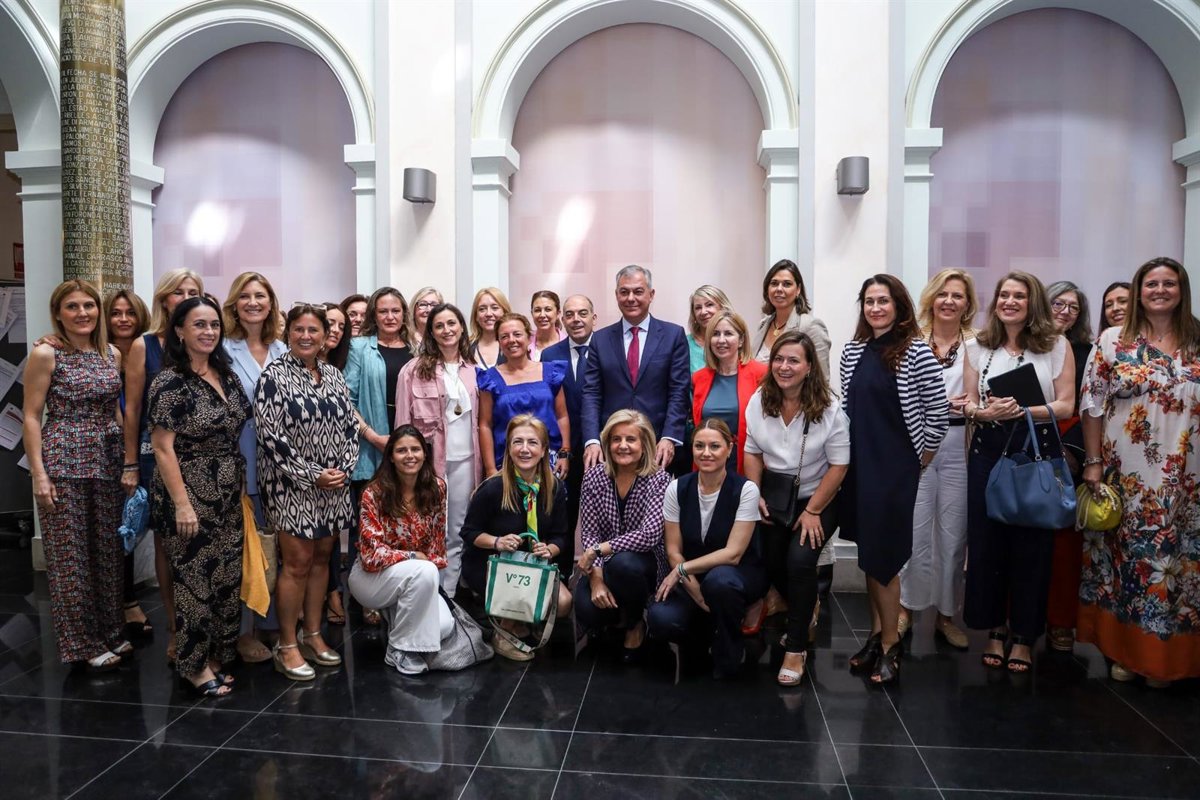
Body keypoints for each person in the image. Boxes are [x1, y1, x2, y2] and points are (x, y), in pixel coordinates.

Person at [1078, 257, 1200, 687]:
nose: (1160, 290)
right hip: (1128, 474)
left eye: (1169, 283)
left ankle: (1170, 659)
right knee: (1128, 561)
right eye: (1152, 284)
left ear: (1182, 290)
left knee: (1182, 563)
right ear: (1139, 290)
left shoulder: (1198, 338)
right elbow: (1092, 404)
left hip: (1189, 477)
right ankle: (1127, 654)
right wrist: (1093, 461)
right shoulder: (1113, 340)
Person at [962, 271, 1074, 674]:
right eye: (1004, 295)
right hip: (988, 449)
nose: (1010, 302)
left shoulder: (1056, 345)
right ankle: (994, 630)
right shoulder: (977, 346)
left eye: (1019, 296)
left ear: (1033, 303)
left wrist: (1022, 411)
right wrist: (983, 412)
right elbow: (968, 403)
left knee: (1032, 546)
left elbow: (1066, 404)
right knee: (987, 544)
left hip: (1035, 449)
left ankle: (1024, 636)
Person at [839, 274, 949, 684]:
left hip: (895, 469)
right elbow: (846, 409)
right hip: (860, 466)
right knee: (870, 554)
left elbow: (938, 413)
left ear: (899, 306)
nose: (875, 308)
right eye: (869, 301)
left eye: (883, 301)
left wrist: (921, 458)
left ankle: (890, 644)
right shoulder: (853, 351)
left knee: (885, 557)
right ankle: (875, 636)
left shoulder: (916, 352)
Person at [22, 280, 128, 672]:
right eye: (72, 306)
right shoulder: (46, 353)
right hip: (63, 461)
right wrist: (39, 474)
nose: (82, 313)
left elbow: (115, 410)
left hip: (107, 460)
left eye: (88, 305)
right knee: (71, 558)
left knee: (107, 554)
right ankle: (82, 643)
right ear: (58, 313)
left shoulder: (111, 353)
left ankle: (110, 631)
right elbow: (31, 416)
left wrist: (128, 462)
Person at [148, 296, 252, 697]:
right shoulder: (169, 382)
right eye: (199, 324)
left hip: (227, 493)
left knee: (225, 578)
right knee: (194, 582)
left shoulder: (226, 374)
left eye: (214, 325)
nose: (209, 331)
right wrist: (182, 504)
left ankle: (215, 656)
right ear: (179, 331)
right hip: (188, 493)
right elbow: (162, 448)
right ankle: (192, 667)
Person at [256, 305, 359, 681]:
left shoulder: (333, 375)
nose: (306, 336)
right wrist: (312, 475)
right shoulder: (274, 376)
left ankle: (313, 635)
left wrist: (344, 468)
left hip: (333, 485)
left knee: (321, 560)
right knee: (297, 563)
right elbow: (270, 435)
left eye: (313, 330)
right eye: (298, 329)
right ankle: (287, 645)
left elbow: (351, 426)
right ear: (288, 334)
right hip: (291, 485)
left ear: (325, 336)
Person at [743, 332, 848, 685]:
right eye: (779, 359)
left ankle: (796, 647)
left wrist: (814, 510)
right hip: (774, 495)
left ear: (809, 367)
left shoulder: (829, 408)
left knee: (800, 561)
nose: (784, 367)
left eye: (793, 360)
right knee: (773, 563)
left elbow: (839, 465)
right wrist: (754, 493)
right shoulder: (760, 400)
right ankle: (807, 607)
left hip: (820, 497)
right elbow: (752, 451)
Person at [122, 268, 203, 664]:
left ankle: (201, 628)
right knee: (167, 544)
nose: (185, 297)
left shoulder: (205, 341)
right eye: (177, 292)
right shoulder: (145, 345)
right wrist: (130, 463)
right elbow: (132, 408)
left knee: (202, 544)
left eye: (193, 291)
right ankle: (175, 631)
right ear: (164, 300)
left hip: (203, 460)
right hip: (156, 456)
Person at [647, 419, 765, 679]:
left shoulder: (746, 490)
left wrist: (681, 570)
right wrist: (698, 594)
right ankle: (705, 627)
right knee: (660, 619)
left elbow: (733, 554)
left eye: (715, 446)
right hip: (694, 579)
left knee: (720, 583)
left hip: (737, 574)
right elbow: (673, 550)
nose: (706, 453)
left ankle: (729, 650)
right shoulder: (677, 488)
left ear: (729, 449)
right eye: (699, 446)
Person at [899, 268, 977, 650]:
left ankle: (946, 615)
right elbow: (902, 395)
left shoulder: (978, 344)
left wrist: (972, 406)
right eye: (943, 294)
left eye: (957, 295)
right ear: (931, 299)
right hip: (919, 446)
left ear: (967, 304)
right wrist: (937, 404)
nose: (949, 301)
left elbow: (982, 395)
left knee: (953, 535)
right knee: (914, 532)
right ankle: (905, 610)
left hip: (960, 444)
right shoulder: (912, 342)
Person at [459, 415, 573, 661]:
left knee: (564, 603)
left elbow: (561, 536)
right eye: (517, 442)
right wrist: (497, 542)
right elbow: (468, 533)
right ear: (509, 449)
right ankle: (505, 630)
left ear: (544, 450)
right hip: (493, 564)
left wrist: (550, 550)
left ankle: (525, 619)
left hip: (533, 564)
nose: (524, 449)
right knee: (515, 591)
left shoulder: (554, 488)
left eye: (532, 443)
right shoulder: (492, 488)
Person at [350, 426, 458, 675]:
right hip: (371, 577)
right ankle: (399, 650)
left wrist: (429, 587)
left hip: (418, 576)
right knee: (424, 570)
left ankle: (398, 615)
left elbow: (437, 547)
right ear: (390, 456)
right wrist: (411, 557)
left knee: (443, 627)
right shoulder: (373, 493)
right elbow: (370, 556)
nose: (410, 456)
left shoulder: (437, 488)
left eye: (415, 449)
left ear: (424, 454)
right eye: (401, 450)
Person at [221, 272, 288, 663]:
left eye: (260, 295)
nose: (252, 302)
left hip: (282, 466)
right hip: (240, 458)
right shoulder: (223, 349)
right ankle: (243, 631)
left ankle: (272, 623)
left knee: (275, 547)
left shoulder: (283, 349)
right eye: (244, 296)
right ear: (234, 303)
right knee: (246, 548)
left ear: (270, 302)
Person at [395, 303, 482, 596]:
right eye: (439, 325)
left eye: (452, 323)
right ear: (431, 332)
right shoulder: (412, 370)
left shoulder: (475, 371)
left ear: (462, 328)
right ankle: (424, 594)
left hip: (467, 462)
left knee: (456, 530)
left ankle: (449, 597)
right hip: (429, 463)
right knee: (427, 530)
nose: (447, 330)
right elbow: (403, 425)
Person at [574, 410, 671, 661]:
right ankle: (616, 616)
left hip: (644, 565)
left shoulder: (659, 479)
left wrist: (599, 549)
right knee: (587, 610)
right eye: (616, 439)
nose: (623, 446)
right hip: (604, 565)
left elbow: (649, 535)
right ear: (607, 444)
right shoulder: (593, 477)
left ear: (644, 444)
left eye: (631, 439)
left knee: (624, 563)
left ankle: (635, 622)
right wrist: (596, 580)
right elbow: (590, 532)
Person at [581, 265, 691, 473]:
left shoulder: (673, 335)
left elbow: (679, 391)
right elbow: (591, 393)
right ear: (616, 295)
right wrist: (592, 440)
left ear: (651, 294)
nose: (630, 298)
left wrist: (669, 437)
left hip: (658, 447)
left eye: (638, 291)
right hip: (612, 447)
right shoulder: (600, 339)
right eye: (624, 292)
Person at [345, 287, 412, 625]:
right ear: (374, 314)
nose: (389, 316)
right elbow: (347, 399)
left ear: (404, 314)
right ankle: (368, 595)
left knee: (402, 524)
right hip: (371, 447)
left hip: (408, 449)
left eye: (395, 310)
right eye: (383, 311)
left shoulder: (417, 348)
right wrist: (373, 437)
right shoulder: (359, 347)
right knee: (370, 527)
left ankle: (400, 590)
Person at [1043, 280, 1094, 653]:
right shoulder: (1023, 345)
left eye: (1073, 307)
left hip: (1069, 450)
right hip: (1025, 442)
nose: (1065, 311)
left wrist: (1073, 450)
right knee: (1021, 536)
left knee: (1064, 545)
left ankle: (1060, 622)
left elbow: (1092, 406)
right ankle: (1016, 619)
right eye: (1058, 303)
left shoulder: (1088, 352)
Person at [103, 288, 153, 637]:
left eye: (130, 312)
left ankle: (128, 599)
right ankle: (120, 602)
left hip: (143, 447)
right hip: (104, 450)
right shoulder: (95, 353)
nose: (123, 319)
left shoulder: (149, 351)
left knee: (132, 521)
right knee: (113, 526)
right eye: (116, 313)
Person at [477, 313, 570, 478]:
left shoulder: (551, 372)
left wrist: (565, 452)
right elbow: (485, 425)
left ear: (529, 338)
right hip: (506, 463)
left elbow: (561, 416)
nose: (511, 340)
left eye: (517, 334)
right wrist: (490, 469)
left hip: (549, 462)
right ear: (499, 343)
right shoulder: (489, 379)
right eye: (504, 336)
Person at [540, 294, 596, 559]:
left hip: (600, 446)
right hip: (565, 449)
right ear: (562, 319)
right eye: (570, 314)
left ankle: (600, 571)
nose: (576, 320)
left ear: (594, 317)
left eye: (583, 313)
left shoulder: (607, 347)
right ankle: (561, 573)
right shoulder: (550, 355)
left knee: (601, 514)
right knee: (564, 514)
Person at [690, 310, 767, 473]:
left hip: (747, 463)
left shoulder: (761, 374)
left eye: (728, 334)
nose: (721, 340)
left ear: (741, 340)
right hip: (708, 464)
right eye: (715, 334)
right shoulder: (699, 378)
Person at [320, 301, 352, 625]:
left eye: (342, 326)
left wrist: (345, 462)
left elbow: (347, 420)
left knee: (329, 537)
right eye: (331, 323)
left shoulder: (337, 368)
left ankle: (332, 592)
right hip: (304, 469)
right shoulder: (290, 366)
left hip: (337, 463)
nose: (336, 330)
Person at [750, 259, 831, 376]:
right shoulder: (763, 325)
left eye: (787, 284)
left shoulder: (811, 326)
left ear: (798, 290)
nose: (779, 289)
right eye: (774, 283)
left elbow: (822, 377)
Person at [686, 285, 733, 374]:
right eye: (698, 308)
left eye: (709, 305)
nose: (703, 312)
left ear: (723, 307)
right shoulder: (685, 344)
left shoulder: (734, 340)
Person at [467, 287, 512, 369]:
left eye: (494, 308)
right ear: (476, 316)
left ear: (505, 312)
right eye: (482, 309)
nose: (488, 314)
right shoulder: (465, 348)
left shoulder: (514, 344)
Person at [530, 290, 566, 361]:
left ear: (558, 313)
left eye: (548, 309)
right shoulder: (525, 342)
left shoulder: (567, 343)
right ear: (532, 313)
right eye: (537, 310)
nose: (542, 315)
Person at [322, 302, 350, 371]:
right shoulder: (305, 359)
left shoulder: (341, 364)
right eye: (330, 324)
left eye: (341, 327)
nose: (336, 330)